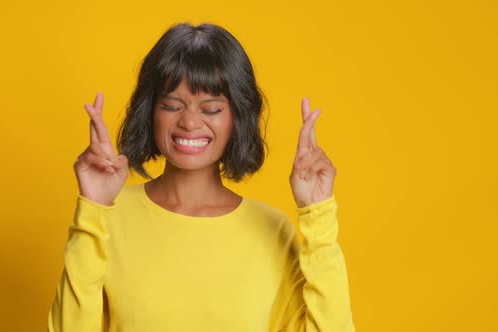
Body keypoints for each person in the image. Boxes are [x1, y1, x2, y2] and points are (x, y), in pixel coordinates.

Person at [47, 22, 355, 332]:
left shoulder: (273, 230)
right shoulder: (108, 218)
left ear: (237, 117)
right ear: (151, 110)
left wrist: (319, 214)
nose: (190, 122)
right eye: (172, 105)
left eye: (211, 109)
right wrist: (93, 207)